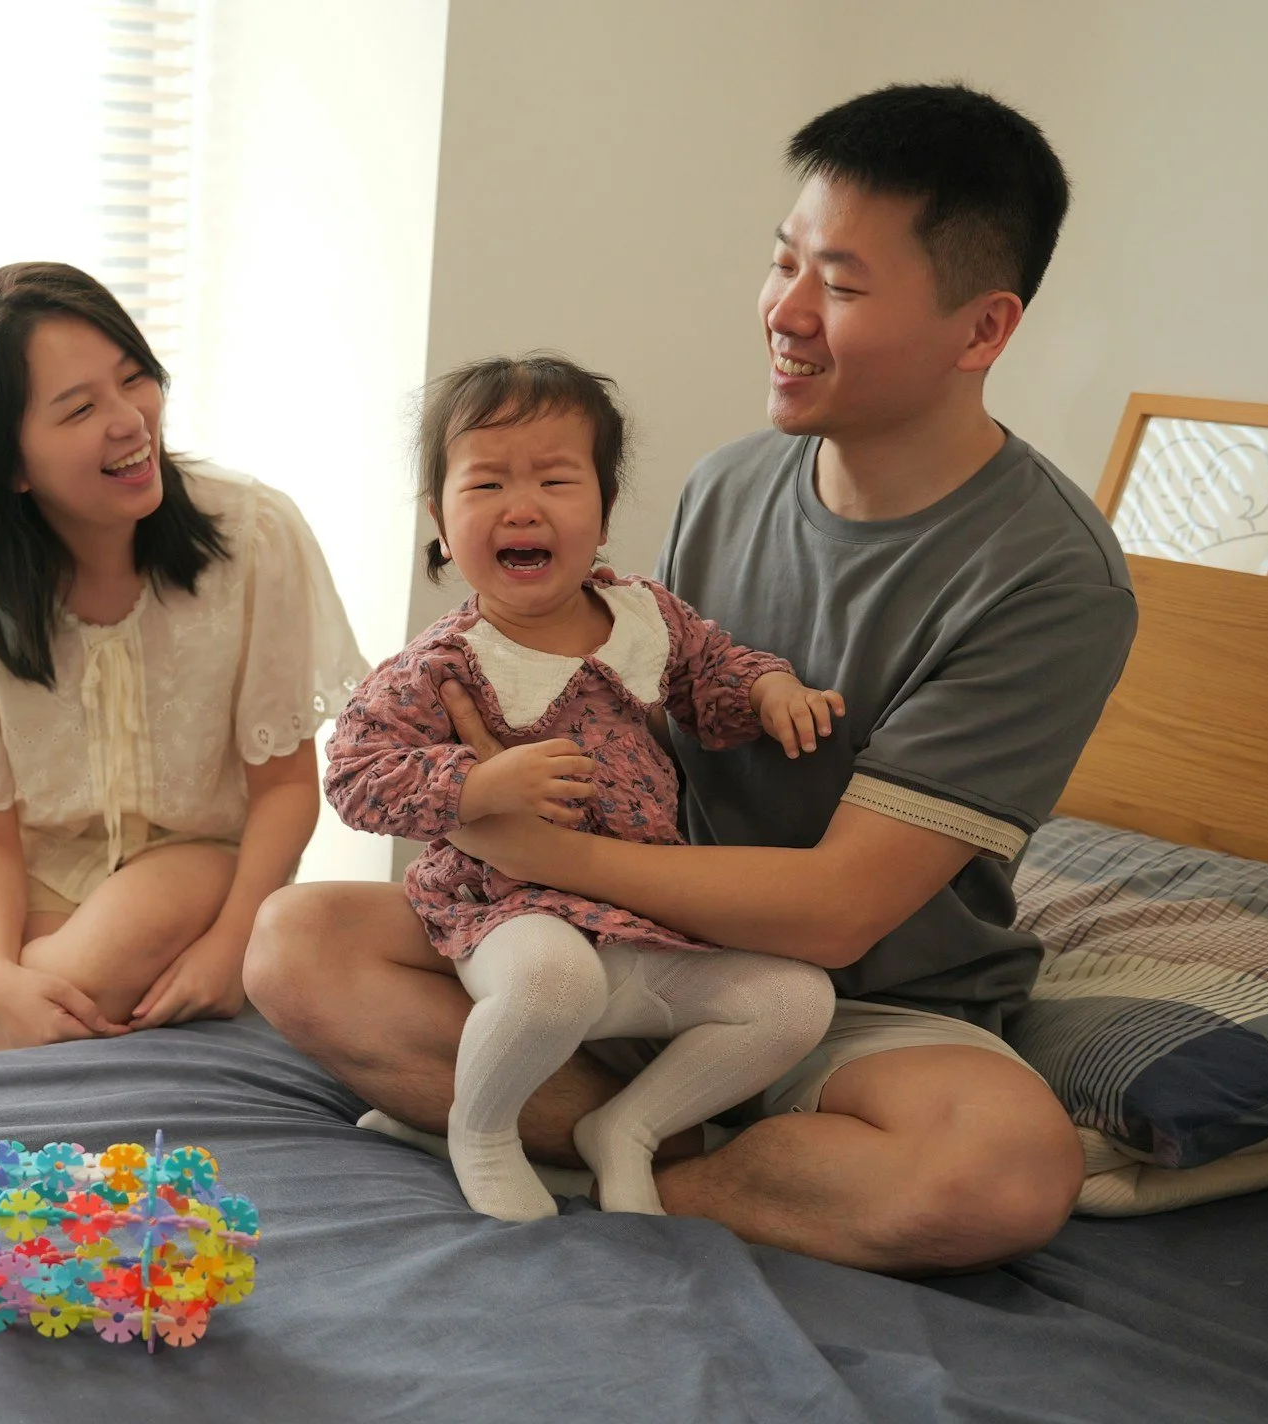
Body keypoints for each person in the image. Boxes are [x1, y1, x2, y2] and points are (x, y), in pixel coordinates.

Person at [248, 84, 1137, 1273]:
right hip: (630, 944)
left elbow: (837, 909)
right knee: (296, 942)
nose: (788, 311)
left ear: (979, 331)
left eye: (843, 285)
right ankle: (640, 1146)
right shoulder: (734, 483)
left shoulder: (1046, 577)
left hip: (864, 1001)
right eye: (784, 264)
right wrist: (485, 786)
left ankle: (612, 1150)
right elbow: (629, 721)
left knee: (1003, 1172)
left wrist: (550, 853)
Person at [325, 353, 840, 1221]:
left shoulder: (644, 614)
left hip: (642, 920)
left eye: (556, 480)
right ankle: (479, 1127)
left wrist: (769, 689)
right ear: (441, 522)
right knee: (555, 983)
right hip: (509, 912)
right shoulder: (445, 661)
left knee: (796, 1001)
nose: (521, 506)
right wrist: (479, 780)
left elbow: (715, 668)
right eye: (486, 483)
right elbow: (353, 773)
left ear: (601, 513)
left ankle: (627, 1129)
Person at [0, 262, 366, 1055]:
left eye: (135, 378)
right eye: (78, 409)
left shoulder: (254, 534)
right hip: (38, 899)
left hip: (209, 878)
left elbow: (282, 787)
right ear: (9, 464)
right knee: (56, 1036)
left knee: (135, 917)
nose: (130, 421)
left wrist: (233, 945)